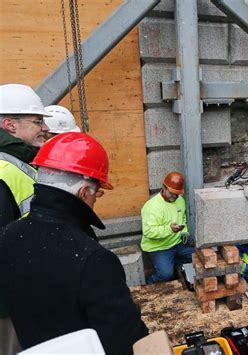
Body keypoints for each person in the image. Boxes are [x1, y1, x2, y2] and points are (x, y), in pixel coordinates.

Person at [0, 132, 148, 354]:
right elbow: (124, 339)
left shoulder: (8, 237)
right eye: (97, 195)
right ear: (84, 192)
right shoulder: (93, 259)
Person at [0, 83, 51, 355]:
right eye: (37, 121)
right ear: (10, 124)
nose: (44, 127)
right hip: (10, 304)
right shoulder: (2, 171)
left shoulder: (19, 161)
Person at [141, 172, 194, 283]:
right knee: (165, 275)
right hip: (158, 248)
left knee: (198, 257)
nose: (174, 196)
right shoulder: (152, 206)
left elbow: (183, 220)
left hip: (177, 244)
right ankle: (148, 283)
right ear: (163, 188)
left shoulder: (180, 201)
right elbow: (149, 232)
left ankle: (176, 266)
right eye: (172, 193)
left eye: (177, 194)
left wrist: (184, 233)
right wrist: (169, 229)